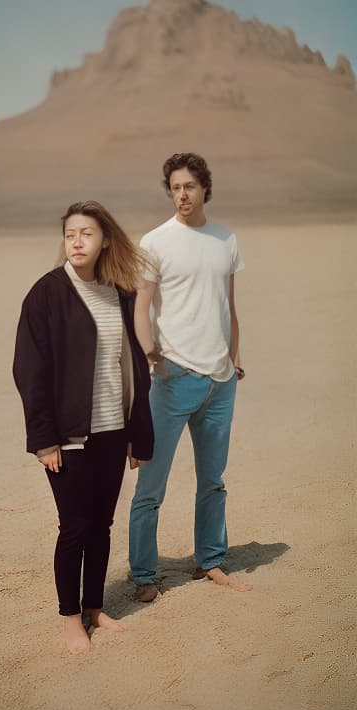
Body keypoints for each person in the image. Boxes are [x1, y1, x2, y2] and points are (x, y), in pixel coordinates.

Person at [13, 201, 154, 653]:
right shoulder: (47, 294)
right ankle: (70, 618)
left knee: (102, 525)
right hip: (68, 437)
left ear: (105, 240)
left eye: (86, 233)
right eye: (70, 233)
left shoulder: (120, 293)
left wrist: (138, 433)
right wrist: (44, 439)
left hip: (114, 431)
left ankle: (94, 607)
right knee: (74, 526)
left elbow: (133, 368)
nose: (76, 241)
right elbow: (29, 371)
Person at [129, 152, 250, 602]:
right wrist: (150, 355)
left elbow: (230, 308)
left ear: (205, 189)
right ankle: (143, 574)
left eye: (190, 187)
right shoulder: (155, 241)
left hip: (221, 381)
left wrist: (234, 359)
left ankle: (210, 560)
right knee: (151, 484)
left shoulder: (226, 239)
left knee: (213, 480)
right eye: (175, 187)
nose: (182, 194)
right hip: (174, 376)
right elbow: (141, 309)